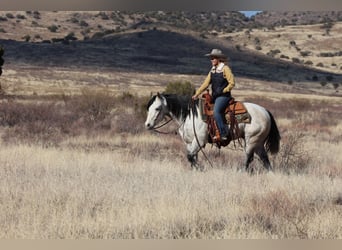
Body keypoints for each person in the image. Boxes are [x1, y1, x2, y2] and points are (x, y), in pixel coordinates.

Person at [192, 49, 235, 141]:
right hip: (215, 96)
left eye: (213, 58)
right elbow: (205, 84)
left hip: (224, 96)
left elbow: (232, 83)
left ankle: (223, 133)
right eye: (211, 58)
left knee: (216, 112)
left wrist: (224, 90)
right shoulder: (212, 70)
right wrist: (197, 94)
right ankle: (210, 132)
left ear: (218, 59)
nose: (211, 60)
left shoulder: (225, 69)